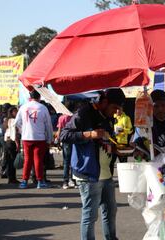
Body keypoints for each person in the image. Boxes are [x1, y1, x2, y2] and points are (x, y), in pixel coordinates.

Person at [59, 89, 124, 240]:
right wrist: (89, 134)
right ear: (105, 102)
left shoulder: (108, 117)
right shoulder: (84, 113)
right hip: (88, 173)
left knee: (110, 210)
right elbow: (64, 135)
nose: (115, 112)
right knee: (90, 214)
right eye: (114, 108)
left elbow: (107, 139)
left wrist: (117, 149)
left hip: (106, 173)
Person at [14, 91, 54, 189]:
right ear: (39, 97)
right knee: (38, 160)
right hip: (40, 138)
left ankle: (24, 181)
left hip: (26, 137)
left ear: (30, 97)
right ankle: (40, 181)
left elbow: (17, 122)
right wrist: (49, 139)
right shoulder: (43, 108)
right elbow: (48, 125)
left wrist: (23, 130)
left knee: (27, 160)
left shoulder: (23, 107)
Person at [55, 101, 75, 189]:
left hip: (65, 140)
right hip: (74, 139)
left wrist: (57, 140)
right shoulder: (74, 117)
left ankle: (65, 181)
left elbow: (59, 131)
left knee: (66, 161)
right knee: (74, 161)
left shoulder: (62, 118)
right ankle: (72, 180)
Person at [111, 105, 133, 173]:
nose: (117, 111)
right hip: (112, 142)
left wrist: (122, 130)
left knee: (123, 163)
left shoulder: (126, 118)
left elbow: (130, 130)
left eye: (119, 109)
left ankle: (125, 177)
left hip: (122, 143)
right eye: (116, 109)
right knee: (111, 163)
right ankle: (110, 178)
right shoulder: (112, 117)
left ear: (122, 109)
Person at [3, 106, 20, 184]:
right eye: (15, 111)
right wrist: (17, 143)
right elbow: (14, 133)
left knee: (9, 160)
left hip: (7, 142)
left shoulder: (6, 120)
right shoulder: (13, 120)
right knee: (12, 161)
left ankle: (11, 178)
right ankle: (12, 178)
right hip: (12, 142)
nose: (17, 113)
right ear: (12, 112)